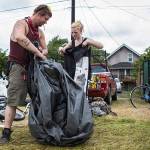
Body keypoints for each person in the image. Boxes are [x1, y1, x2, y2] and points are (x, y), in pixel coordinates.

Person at [0, 4, 52, 144]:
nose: (45, 22)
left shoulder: (40, 33)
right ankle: (6, 133)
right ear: (39, 14)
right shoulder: (21, 24)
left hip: (34, 69)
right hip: (18, 67)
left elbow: (45, 50)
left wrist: (42, 50)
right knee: (13, 99)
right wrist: (37, 51)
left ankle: (41, 127)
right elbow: (19, 37)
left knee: (40, 97)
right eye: (45, 19)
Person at [58, 20, 103, 93]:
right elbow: (63, 52)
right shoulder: (71, 43)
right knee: (72, 92)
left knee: (82, 93)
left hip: (83, 73)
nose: (73, 34)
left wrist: (89, 42)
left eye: (75, 32)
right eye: (72, 32)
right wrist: (60, 49)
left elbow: (101, 45)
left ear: (81, 31)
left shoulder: (86, 40)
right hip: (72, 72)